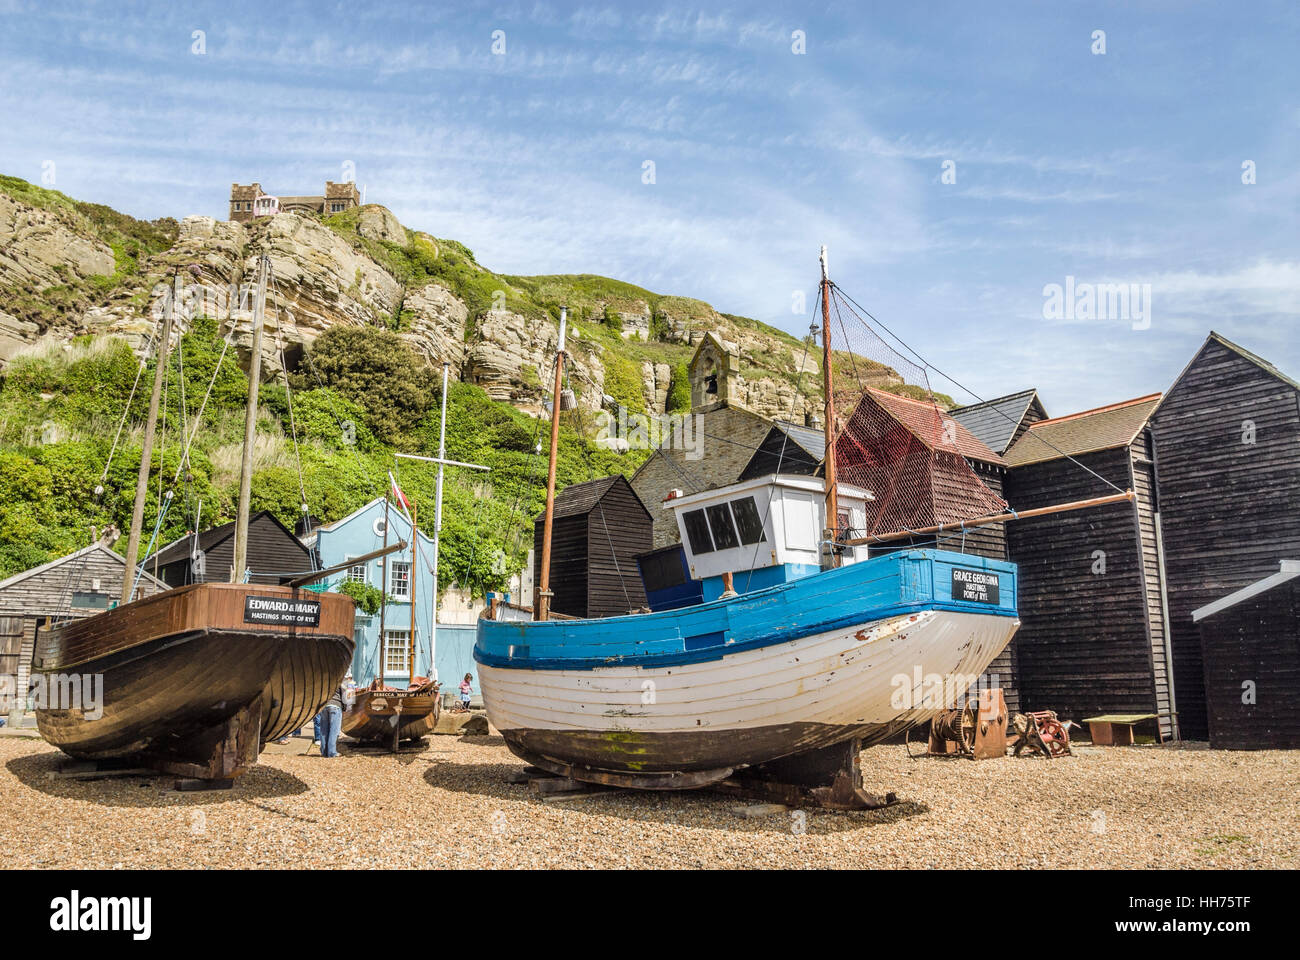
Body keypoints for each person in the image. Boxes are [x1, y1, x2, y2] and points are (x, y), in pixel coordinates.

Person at [318, 682, 346, 758]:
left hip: (324, 706)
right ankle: (332, 752)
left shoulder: (324, 681)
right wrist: (344, 707)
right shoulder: (339, 681)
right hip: (335, 706)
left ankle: (324, 752)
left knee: (324, 730)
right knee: (334, 731)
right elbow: (344, 696)